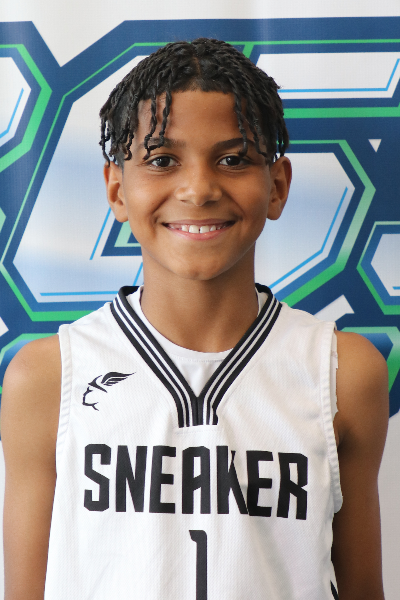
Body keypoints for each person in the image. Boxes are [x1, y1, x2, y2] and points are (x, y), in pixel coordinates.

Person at [1, 38, 388, 600]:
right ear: (117, 189)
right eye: (162, 160)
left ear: (277, 186)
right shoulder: (48, 378)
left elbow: (363, 589)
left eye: (233, 159)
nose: (199, 189)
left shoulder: (343, 373)